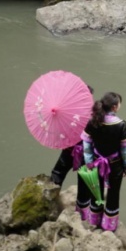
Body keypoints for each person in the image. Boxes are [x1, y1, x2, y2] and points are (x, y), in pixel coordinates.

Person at [81, 92, 126, 232]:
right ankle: (109, 224)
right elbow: (125, 150)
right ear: (114, 107)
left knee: (96, 190)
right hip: (115, 164)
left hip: (96, 162)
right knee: (113, 193)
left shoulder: (93, 121)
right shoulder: (121, 125)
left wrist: (89, 163)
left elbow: (86, 145)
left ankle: (94, 219)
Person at [49, 85, 94, 221]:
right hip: (85, 153)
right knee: (84, 182)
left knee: (57, 173)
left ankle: (50, 203)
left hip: (69, 149)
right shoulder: (92, 115)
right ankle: (82, 215)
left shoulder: (66, 112)